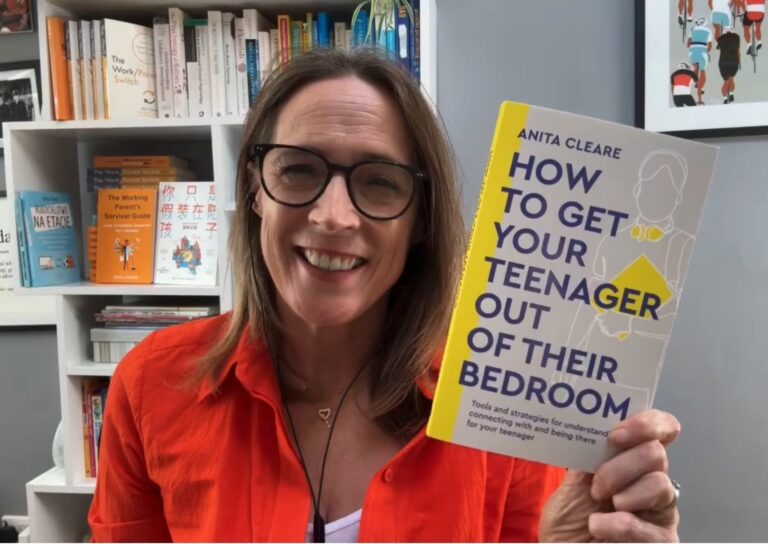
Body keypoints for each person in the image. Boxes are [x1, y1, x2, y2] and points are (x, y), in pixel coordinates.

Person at [88, 48, 681, 542]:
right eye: (298, 170)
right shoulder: (152, 385)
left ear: (420, 217)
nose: (332, 215)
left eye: (378, 182)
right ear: (254, 190)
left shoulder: (500, 404)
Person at [688, 17, 714, 104]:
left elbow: (688, 44)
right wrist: (706, 51)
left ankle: (696, 82)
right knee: (703, 71)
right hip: (703, 51)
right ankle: (701, 87)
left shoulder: (692, 29)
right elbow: (710, 47)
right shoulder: (708, 31)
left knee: (695, 67)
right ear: (704, 23)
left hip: (693, 51)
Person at [717, 25, 741, 102]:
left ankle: (724, 98)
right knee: (731, 78)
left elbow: (719, 48)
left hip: (723, 62)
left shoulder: (720, 39)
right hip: (733, 61)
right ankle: (731, 93)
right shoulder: (737, 37)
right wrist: (739, 61)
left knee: (725, 81)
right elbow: (738, 51)